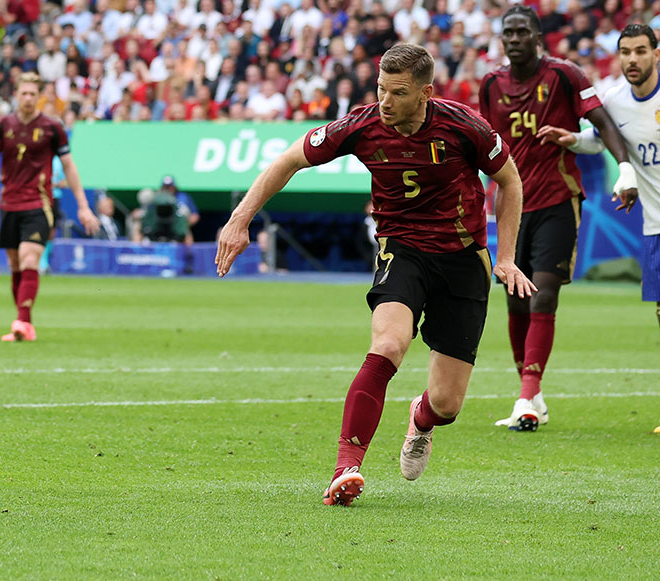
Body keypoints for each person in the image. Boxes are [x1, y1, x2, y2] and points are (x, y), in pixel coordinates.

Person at [216, 44, 536, 506]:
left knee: (446, 405)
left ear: (425, 93)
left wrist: (505, 258)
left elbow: (510, 181)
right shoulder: (361, 124)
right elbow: (288, 160)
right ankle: (346, 468)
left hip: (464, 259)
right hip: (401, 249)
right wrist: (240, 218)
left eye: (398, 92)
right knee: (387, 344)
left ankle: (421, 420)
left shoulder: (465, 126)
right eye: (381, 89)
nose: (385, 101)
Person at [479, 5, 638, 431]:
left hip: (556, 200)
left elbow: (604, 124)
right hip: (511, 207)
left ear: (538, 37)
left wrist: (624, 169)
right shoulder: (491, 84)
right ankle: (531, 395)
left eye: (521, 32)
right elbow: (485, 148)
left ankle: (526, 397)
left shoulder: (566, 76)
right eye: (507, 32)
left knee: (543, 294)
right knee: (515, 300)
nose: (514, 39)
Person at [532, 24, 660, 431]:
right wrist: (570, 138)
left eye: (641, 51)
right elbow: (600, 138)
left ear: (656, 54)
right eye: (625, 52)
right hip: (654, 224)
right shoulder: (616, 101)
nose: (632, 60)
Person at [0, 71, 99, 342]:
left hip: (38, 203)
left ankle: (20, 321)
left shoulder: (52, 127)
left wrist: (82, 206)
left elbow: (69, 166)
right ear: (16, 95)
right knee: (15, 265)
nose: (28, 98)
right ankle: (25, 324)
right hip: (9, 203)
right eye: (24, 93)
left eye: (33, 93)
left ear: (39, 96)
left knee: (29, 257)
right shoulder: (4, 125)